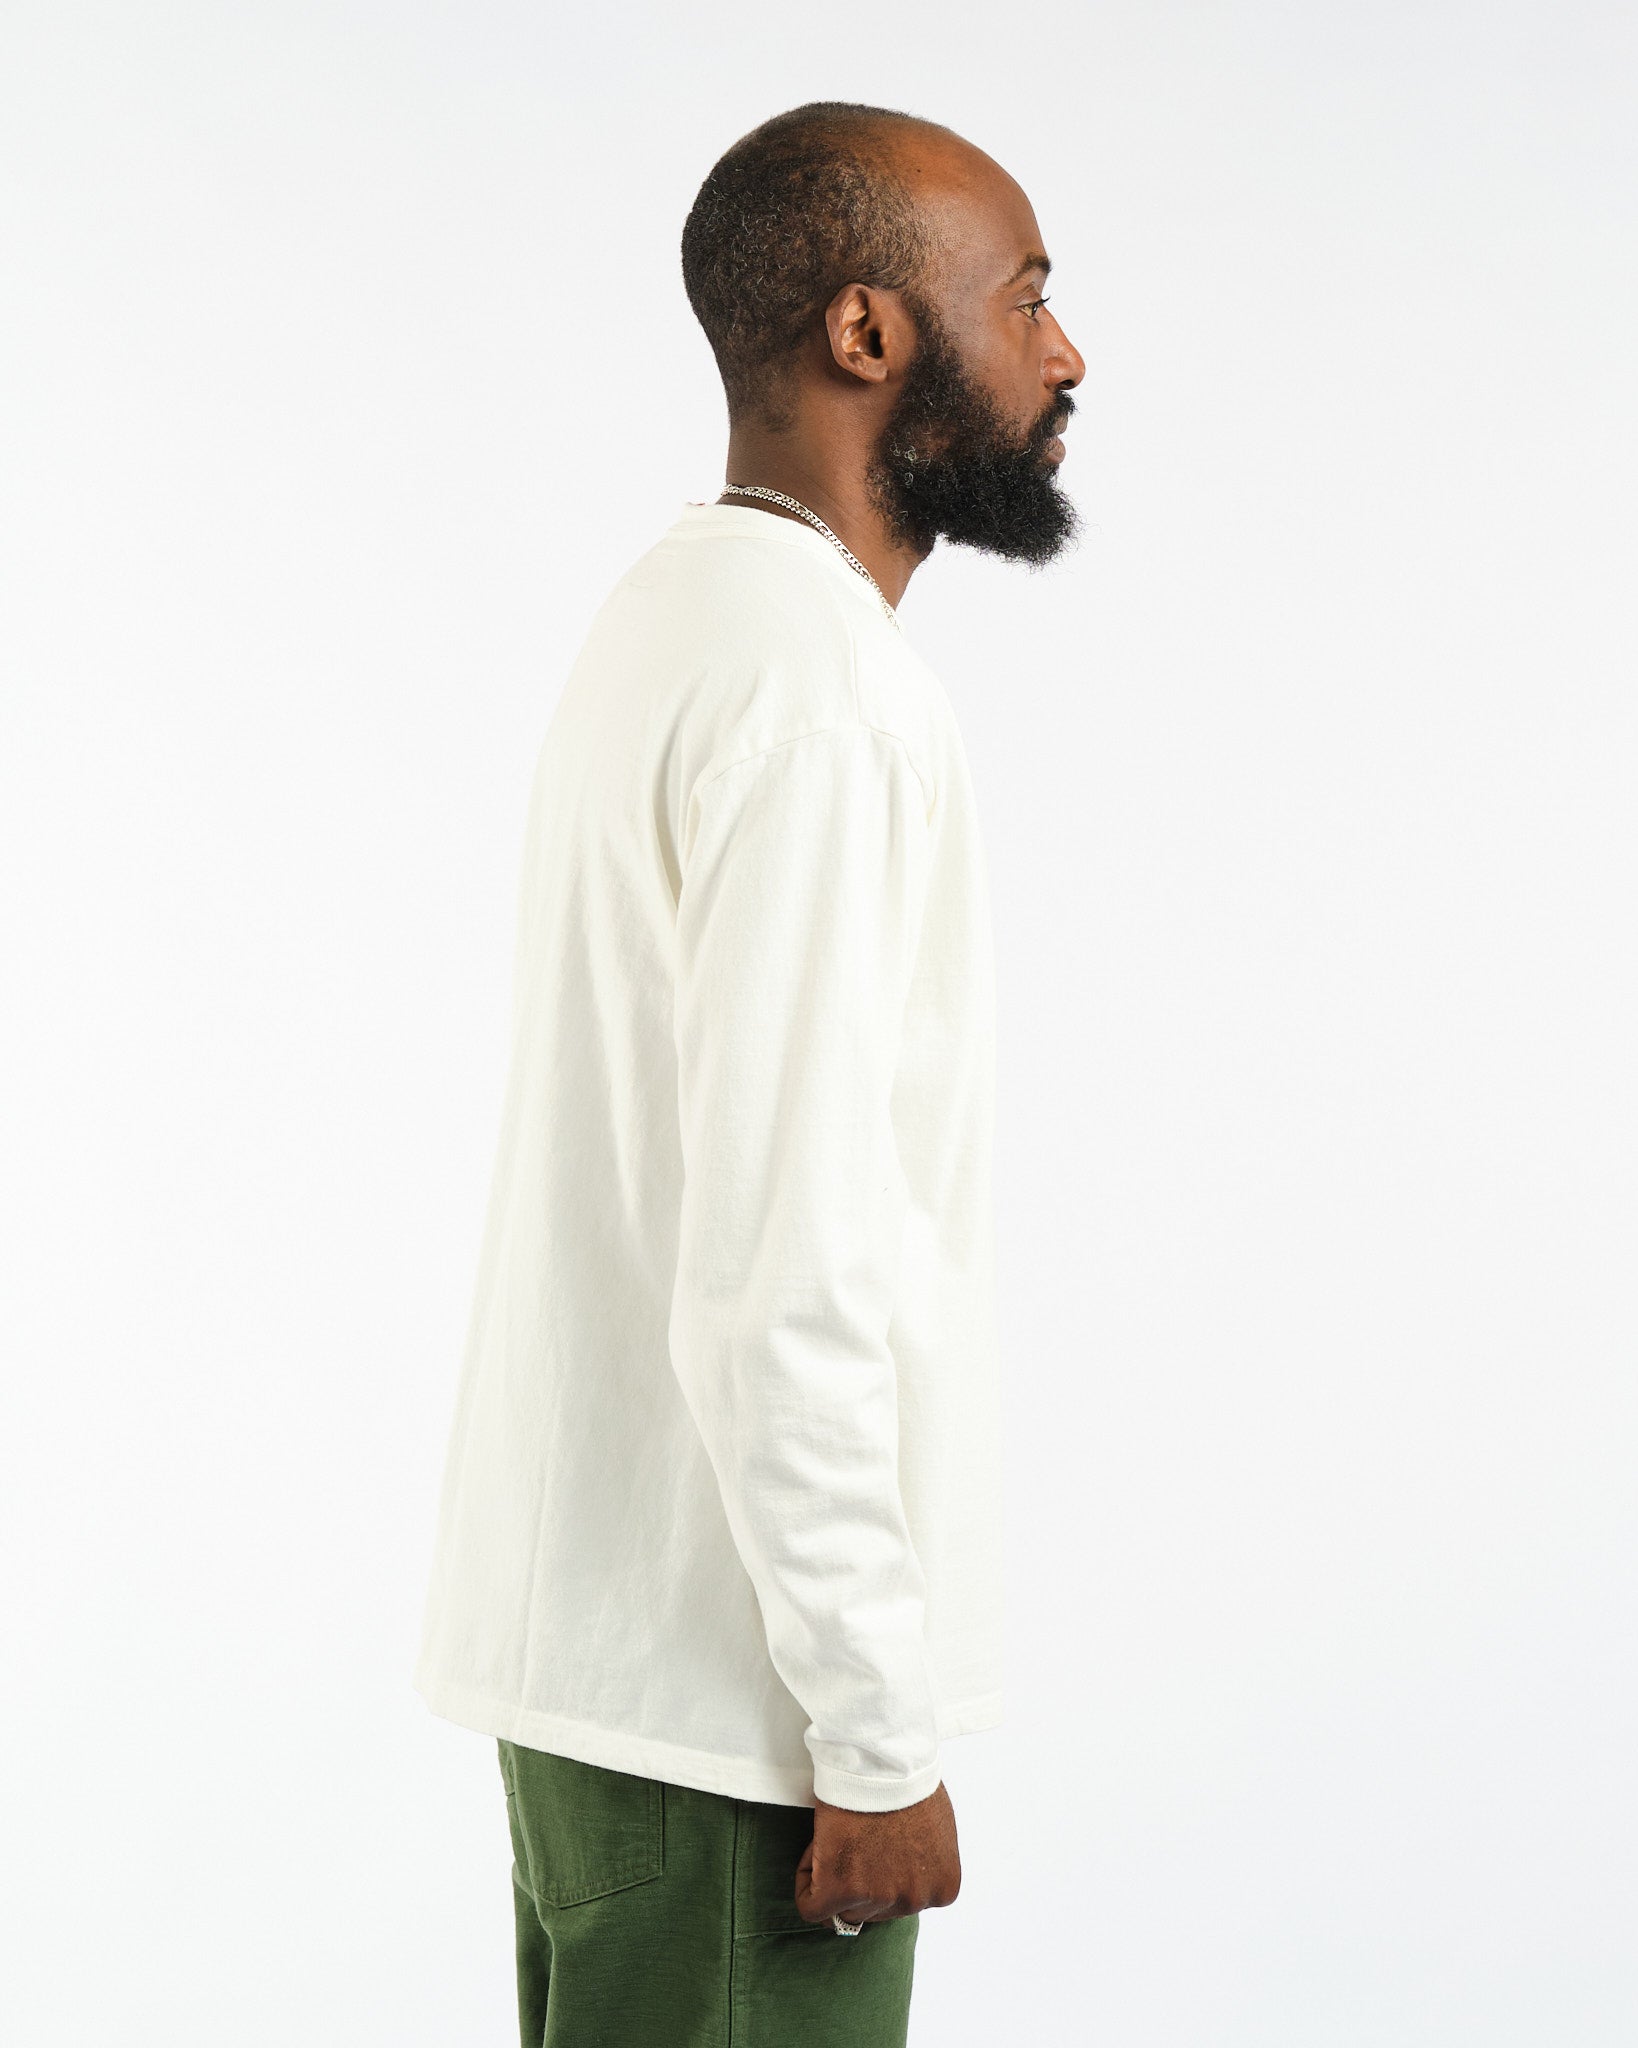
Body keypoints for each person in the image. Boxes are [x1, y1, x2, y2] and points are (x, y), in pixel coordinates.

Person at [413, 98, 1084, 2046]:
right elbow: (783, 1263)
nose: (1064, 354)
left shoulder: (680, 616)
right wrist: (872, 1731)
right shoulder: (821, 691)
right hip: (745, 1741)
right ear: (867, 331)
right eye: (1024, 295)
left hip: (622, 1687)